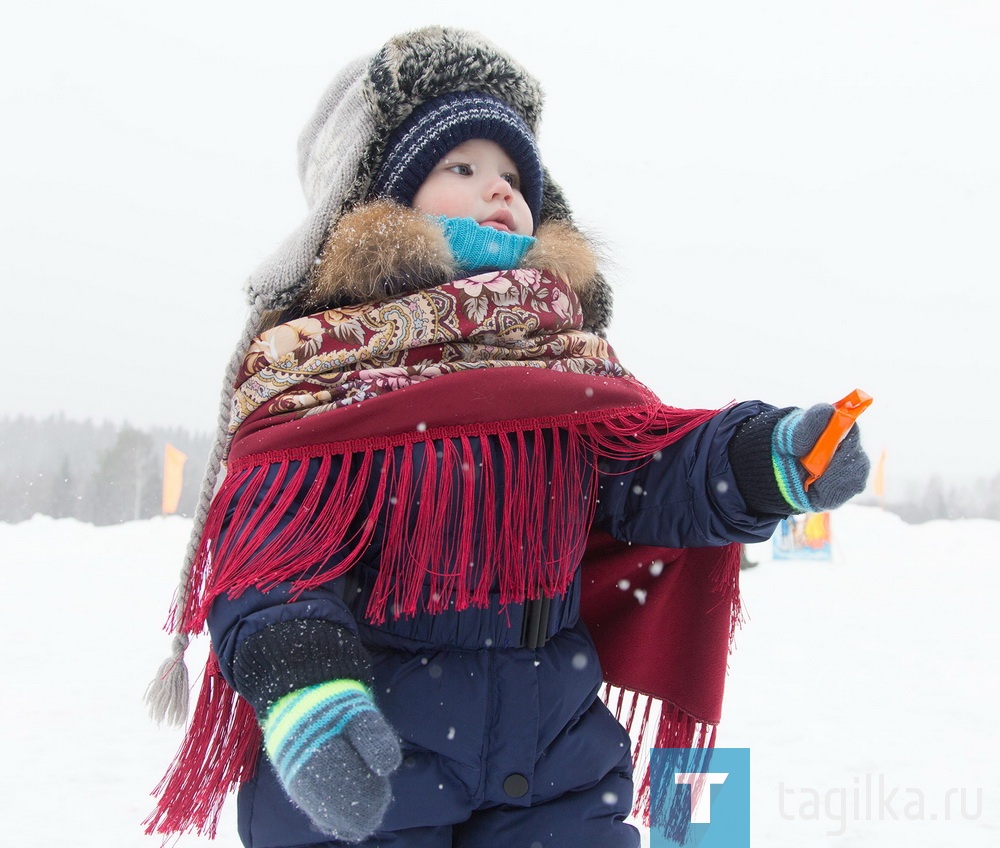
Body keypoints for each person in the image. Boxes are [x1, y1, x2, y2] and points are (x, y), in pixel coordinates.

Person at [145, 26, 870, 848]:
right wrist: (306, 686)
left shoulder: (563, 363)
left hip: (555, 756)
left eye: (515, 175)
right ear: (382, 204)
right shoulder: (326, 367)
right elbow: (273, 554)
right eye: (462, 167)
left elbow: (649, 471)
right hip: (379, 754)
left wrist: (766, 457)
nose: (500, 189)